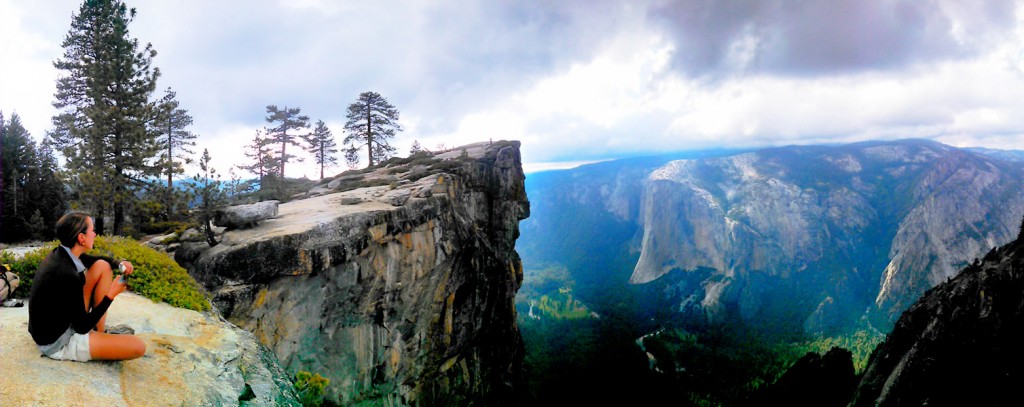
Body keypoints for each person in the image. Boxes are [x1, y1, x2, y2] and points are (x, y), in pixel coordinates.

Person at [28, 211, 146, 361]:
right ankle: (97, 338)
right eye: (92, 230)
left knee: (102, 266)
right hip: (56, 342)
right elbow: (81, 327)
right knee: (138, 346)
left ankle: (100, 332)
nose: (95, 234)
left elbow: (92, 259)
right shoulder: (67, 274)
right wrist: (111, 295)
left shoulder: (61, 255)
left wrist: (118, 263)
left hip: (56, 324)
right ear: (81, 238)